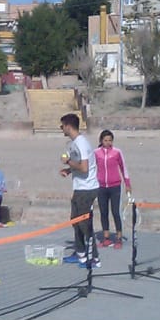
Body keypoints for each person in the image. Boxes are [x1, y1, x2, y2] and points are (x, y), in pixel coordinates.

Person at [59, 114, 99, 267]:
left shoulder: (82, 143)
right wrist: (69, 170)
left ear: (68, 126)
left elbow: (84, 167)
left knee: (83, 223)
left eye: (62, 126)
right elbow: (80, 167)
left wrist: (68, 161)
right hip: (79, 187)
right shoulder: (74, 143)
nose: (61, 129)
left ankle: (93, 258)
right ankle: (80, 253)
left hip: (87, 189)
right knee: (75, 221)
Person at [94, 130, 132, 249]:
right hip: (101, 187)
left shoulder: (117, 152)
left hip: (115, 186)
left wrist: (127, 184)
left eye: (110, 140)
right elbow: (91, 168)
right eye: (105, 140)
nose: (108, 142)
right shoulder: (96, 153)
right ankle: (106, 237)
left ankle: (119, 237)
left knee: (116, 212)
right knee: (103, 212)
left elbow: (123, 167)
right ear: (101, 141)